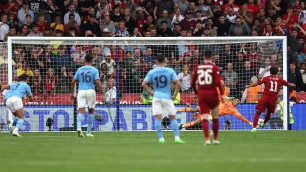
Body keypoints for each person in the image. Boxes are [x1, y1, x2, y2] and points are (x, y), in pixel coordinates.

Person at [142, 55, 184, 144]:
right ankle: (176, 138)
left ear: (156, 61)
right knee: (173, 117)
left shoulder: (152, 72)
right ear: (164, 60)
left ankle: (161, 138)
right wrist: (174, 95)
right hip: (167, 96)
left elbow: (143, 84)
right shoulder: (170, 71)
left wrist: (151, 93)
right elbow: (178, 84)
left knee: (158, 118)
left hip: (156, 96)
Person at [246, 66, 296, 132]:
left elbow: (257, 83)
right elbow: (288, 84)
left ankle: (254, 128)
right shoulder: (280, 79)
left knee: (258, 112)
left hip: (265, 97)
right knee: (269, 113)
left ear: (270, 72)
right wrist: (294, 85)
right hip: (273, 99)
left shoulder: (266, 78)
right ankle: (264, 123)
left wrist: (249, 86)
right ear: (277, 72)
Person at [191, 50, 225, 145]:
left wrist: (196, 92)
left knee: (204, 117)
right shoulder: (214, 67)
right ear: (212, 57)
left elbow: (192, 83)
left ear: (203, 57)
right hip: (213, 94)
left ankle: (207, 139)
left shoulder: (198, 68)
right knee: (215, 117)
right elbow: (220, 83)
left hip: (202, 94)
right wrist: (222, 95)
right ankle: (215, 139)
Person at [71, 54, 103, 137]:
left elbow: (73, 81)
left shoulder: (79, 69)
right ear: (92, 61)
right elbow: (97, 81)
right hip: (90, 91)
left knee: (81, 111)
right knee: (91, 111)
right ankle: (88, 132)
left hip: (81, 91)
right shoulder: (94, 70)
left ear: (85, 60)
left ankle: (79, 128)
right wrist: (101, 91)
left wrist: (72, 93)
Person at [177, 97, 252, 130]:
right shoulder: (226, 100)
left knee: (198, 121)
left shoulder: (233, 110)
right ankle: (177, 111)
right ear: (234, 100)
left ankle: (182, 126)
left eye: (238, 103)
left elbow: (242, 118)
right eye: (237, 101)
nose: (237, 103)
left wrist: (250, 123)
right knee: (195, 109)